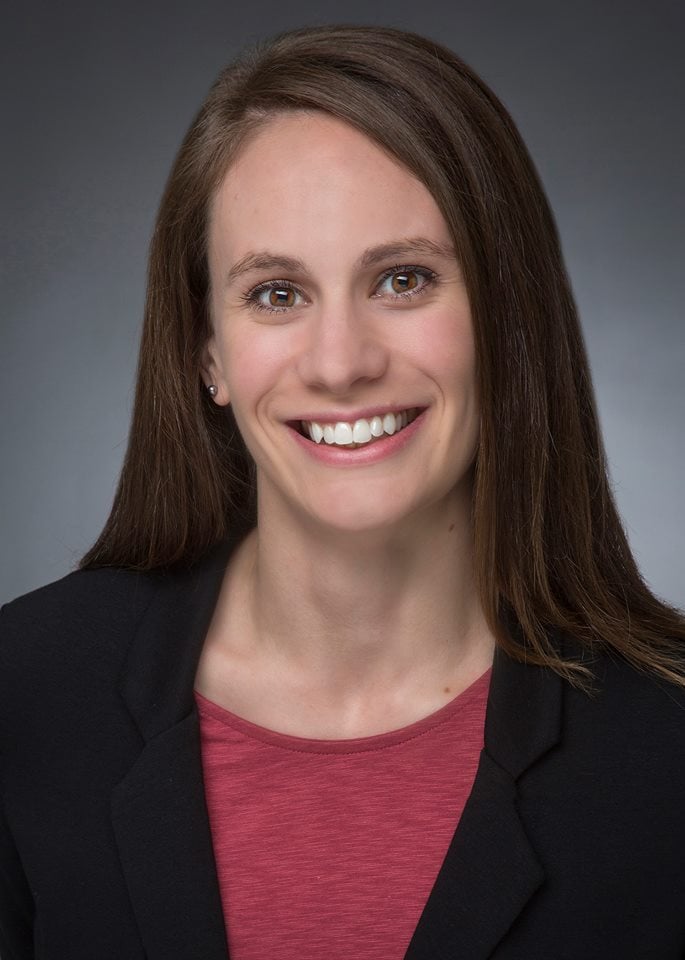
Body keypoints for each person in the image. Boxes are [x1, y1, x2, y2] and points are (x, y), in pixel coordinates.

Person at [1, 23, 684, 960]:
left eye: (403, 280)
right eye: (277, 293)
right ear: (209, 353)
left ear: (503, 314)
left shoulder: (667, 753)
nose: (340, 363)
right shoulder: (25, 692)